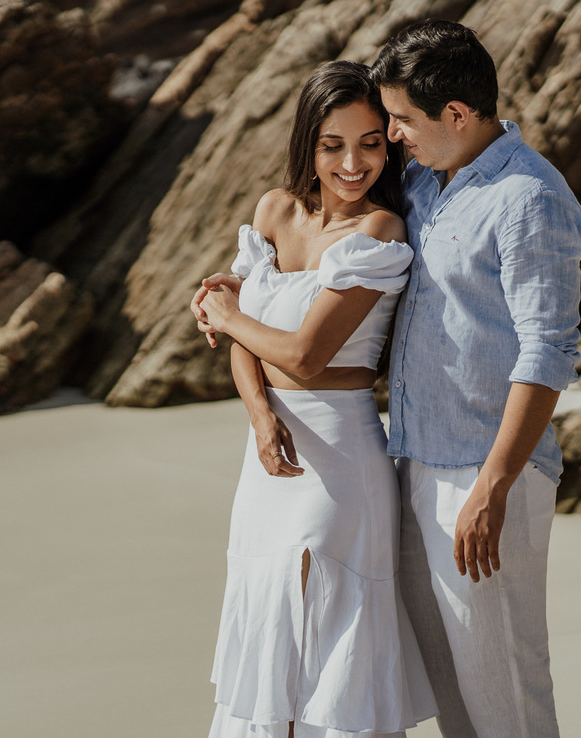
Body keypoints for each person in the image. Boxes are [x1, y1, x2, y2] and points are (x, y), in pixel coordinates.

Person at [191, 60, 437, 738]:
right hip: (266, 460)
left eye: (369, 143)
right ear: (309, 142)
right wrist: (261, 416)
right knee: (271, 629)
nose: (353, 163)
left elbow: (302, 352)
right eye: (333, 145)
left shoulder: (378, 232)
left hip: (339, 465)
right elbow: (254, 351)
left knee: (328, 640)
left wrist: (225, 309)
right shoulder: (274, 210)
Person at [368, 20, 581, 738]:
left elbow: (548, 351)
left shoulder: (531, 199)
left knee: (505, 692)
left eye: (400, 119)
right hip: (414, 459)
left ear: (456, 115)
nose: (392, 134)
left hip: (488, 475)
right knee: (449, 684)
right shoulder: (425, 182)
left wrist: (493, 487)